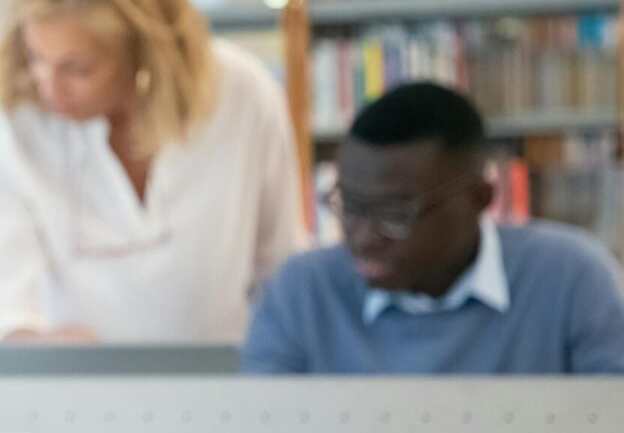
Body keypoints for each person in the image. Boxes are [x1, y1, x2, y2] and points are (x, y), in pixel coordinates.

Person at [0, 0, 306, 344]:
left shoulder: (243, 95)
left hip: (228, 375)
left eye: (77, 68)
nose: (47, 86)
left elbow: (281, 270)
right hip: (65, 382)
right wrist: (34, 345)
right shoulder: (3, 128)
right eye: (35, 57)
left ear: (146, 55)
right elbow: (1, 308)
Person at [243, 83, 624, 374]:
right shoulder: (302, 293)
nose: (363, 236)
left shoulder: (572, 279)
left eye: (394, 214)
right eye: (350, 206)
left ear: (480, 197)